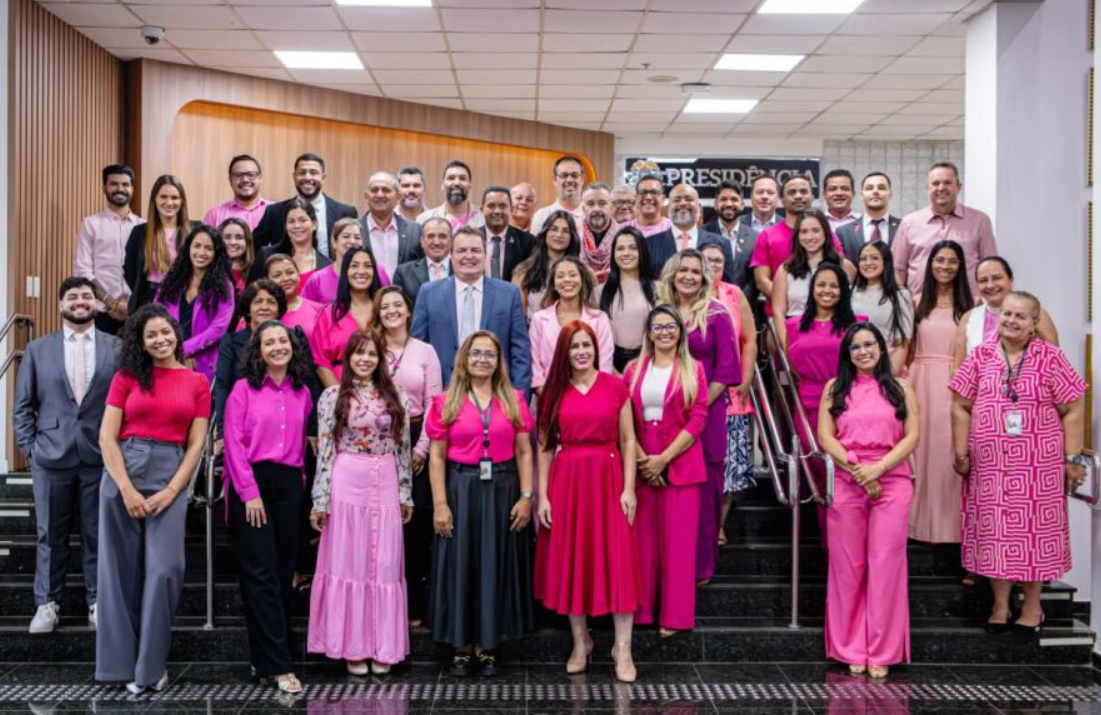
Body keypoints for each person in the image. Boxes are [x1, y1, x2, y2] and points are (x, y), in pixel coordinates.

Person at [950, 292, 1087, 634]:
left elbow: (1073, 407)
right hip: (990, 464)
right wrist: (961, 452)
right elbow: (960, 405)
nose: (1011, 320)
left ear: (1034, 323)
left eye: (1020, 316)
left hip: (1039, 465)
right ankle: (1000, 604)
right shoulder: (980, 355)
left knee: (1034, 533)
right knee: (996, 532)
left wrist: (1072, 458)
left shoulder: (1050, 357)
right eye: (1007, 313)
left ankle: (1032, 606)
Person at [95, 304, 210, 693]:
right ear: (140, 343)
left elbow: (196, 445)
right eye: (151, 336)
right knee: (117, 573)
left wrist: (174, 490)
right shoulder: (127, 377)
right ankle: (118, 667)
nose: (161, 340)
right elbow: (106, 437)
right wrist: (126, 489)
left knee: (165, 570)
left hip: (170, 472)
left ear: (176, 333)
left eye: (165, 332)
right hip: (123, 470)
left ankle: (151, 668)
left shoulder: (197, 382)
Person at [14, 277, 122, 634]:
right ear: (61, 305)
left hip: (99, 456)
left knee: (98, 534)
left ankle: (98, 601)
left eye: (86, 296)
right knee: (50, 535)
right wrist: (31, 450)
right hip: (50, 457)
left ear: (96, 303)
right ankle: (47, 603)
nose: (80, 302)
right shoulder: (37, 349)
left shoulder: (116, 348)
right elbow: (23, 406)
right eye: (72, 297)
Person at [534, 322, 641, 682]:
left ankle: (622, 648)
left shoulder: (615, 386)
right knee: (573, 560)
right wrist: (543, 496)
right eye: (574, 346)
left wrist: (629, 489)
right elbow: (545, 447)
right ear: (564, 352)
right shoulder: (553, 392)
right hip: (568, 482)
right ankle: (581, 642)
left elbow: (628, 440)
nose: (581, 352)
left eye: (587, 345)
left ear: (597, 349)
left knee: (619, 561)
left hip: (609, 479)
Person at [425, 331, 535, 676]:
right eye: (476, 353)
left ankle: (488, 645)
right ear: (464, 359)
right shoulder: (445, 402)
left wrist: (527, 497)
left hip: (503, 489)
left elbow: (524, 451)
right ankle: (461, 645)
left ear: (498, 361)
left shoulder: (514, 399)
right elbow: (437, 457)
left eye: (490, 354)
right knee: (461, 564)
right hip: (461, 488)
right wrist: (440, 504)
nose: (483, 360)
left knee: (494, 564)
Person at [818, 322, 919, 679]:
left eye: (870, 344)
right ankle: (849, 647)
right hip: (849, 480)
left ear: (881, 347)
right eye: (856, 347)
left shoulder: (901, 387)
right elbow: (825, 437)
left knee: (886, 565)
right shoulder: (835, 388)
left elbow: (912, 437)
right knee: (848, 567)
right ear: (847, 354)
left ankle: (882, 649)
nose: (864, 352)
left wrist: (879, 469)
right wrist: (859, 470)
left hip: (892, 480)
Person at [309, 330, 413, 675]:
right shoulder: (331, 396)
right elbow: (325, 448)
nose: (365, 359)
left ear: (380, 359)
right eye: (358, 353)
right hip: (346, 478)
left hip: (385, 477)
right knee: (349, 563)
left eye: (371, 354)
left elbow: (403, 447)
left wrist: (405, 492)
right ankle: (353, 647)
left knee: (384, 564)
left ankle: (383, 646)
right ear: (348, 358)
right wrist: (320, 499)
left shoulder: (397, 394)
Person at [222, 320, 314, 694]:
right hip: (252, 484)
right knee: (260, 577)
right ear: (258, 351)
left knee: (282, 574)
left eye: (283, 341)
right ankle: (279, 666)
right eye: (269, 342)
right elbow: (233, 443)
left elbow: (301, 445)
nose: (277, 347)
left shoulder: (303, 392)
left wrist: (300, 487)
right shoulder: (243, 390)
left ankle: (263, 659)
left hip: (289, 484)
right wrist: (249, 492)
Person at [657, 250, 741, 585]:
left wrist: (698, 406)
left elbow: (726, 371)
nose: (689, 276)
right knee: (670, 493)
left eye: (695, 271)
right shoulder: (662, 313)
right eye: (683, 270)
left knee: (705, 494)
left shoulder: (717, 314)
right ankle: (670, 563)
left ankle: (701, 566)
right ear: (672, 274)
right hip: (665, 416)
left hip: (706, 416)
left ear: (704, 277)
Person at [624, 306, 709, 637]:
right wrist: (645, 461)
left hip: (681, 461)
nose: (664, 332)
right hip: (641, 459)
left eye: (670, 326)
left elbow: (698, 418)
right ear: (648, 333)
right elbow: (624, 419)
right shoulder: (633, 370)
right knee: (643, 545)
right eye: (657, 327)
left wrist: (664, 459)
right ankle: (642, 612)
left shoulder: (693, 369)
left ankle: (675, 617)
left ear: (680, 331)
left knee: (678, 546)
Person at [372, 287, 443, 628]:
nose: (392, 311)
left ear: (409, 311)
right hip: (378, 440)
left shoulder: (425, 351)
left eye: (397, 305)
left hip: (416, 436)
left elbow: (434, 405)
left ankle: (413, 602)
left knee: (414, 526)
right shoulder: (370, 348)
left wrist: (422, 449)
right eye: (385, 306)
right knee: (382, 524)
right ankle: (381, 601)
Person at [784, 263, 861, 543]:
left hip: (847, 406)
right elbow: (792, 365)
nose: (827, 290)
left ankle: (849, 542)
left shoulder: (856, 325)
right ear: (812, 288)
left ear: (843, 291)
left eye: (834, 285)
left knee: (845, 471)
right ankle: (830, 545)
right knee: (818, 471)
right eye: (821, 284)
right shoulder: (793, 326)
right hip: (808, 407)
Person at [907, 240, 972, 556]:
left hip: (955, 382)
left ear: (961, 267)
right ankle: (917, 526)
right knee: (920, 452)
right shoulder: (916, 301)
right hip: (919, 380)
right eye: (939, 260)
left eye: (952, 261)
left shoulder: (971, 308)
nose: (945, 266)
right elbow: (907, 347)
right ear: (930, 264)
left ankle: (953, 529)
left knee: (950, 453)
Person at [412, 227, 532, 391]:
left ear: (485, 255)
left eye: (475, 250)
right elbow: (417, 349)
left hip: (495, 393)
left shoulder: (509, 294)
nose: (469, 256)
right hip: (443, 392)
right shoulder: (429, 293)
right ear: (451, 255)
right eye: (462, 250)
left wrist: (519, 399)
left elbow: (520, 352)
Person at [700, 244, 757, 542]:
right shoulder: (686, 294)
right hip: (696, 391)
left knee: (729, 464)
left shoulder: (734, 293)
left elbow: (749, 340)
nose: (712, 265)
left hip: (732, 391)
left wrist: (746, 379)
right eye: (706, 259)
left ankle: (718, 525)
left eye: (718, 261)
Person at [892, 162, 998, 299]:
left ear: (959, 186)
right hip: (919, 305)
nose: (941, 188)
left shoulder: (980, 221)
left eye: (947, 182)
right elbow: (898, 269)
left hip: (968, 304)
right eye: (935, 183)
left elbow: (990, 266)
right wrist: (902, 302)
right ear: (928, 188)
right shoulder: (909, 223)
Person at [154, 225, 236, 382]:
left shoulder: (224, 286)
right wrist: (172, 350)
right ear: (188, 248)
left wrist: (184, 349)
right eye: (197, 246)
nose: (201, 252)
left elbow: (218, 329)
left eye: (208, 248)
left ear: (216, 253)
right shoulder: (170, 280)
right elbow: (156, 315)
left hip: (203, 361)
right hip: (166, 355)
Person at [73, 164, 145, 334]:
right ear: (104, 188)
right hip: (101, 313)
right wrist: (112, 304)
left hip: (137, 313)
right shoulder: (90, 224)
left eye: (125, 184)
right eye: (114, 184)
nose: (120, 189)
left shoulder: (144, 227)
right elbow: (82, 272)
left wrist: (131, 306)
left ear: (132, 189)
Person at [750, 175, 844, 300]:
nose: (798, 196)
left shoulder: (828, 236)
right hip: (780, 311)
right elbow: (762, 281)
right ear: (782, 200)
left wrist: (815, 306)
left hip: (822, 310)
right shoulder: (767, 236)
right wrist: (791, 304)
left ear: (812, 198)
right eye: (792, 192)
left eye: (803, 191)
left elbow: (841, 273)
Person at [529, 256, 614, 391]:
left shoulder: (599, 319)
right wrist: (549, 398)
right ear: (553, 284)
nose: (567, 279)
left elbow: (605, 365)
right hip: (549, 397)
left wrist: (588, 397)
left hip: (591, 396)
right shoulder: (539, 319)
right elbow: (536, 369)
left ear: (582, 280)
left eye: (573, 275)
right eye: (560, 276)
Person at [772, 210, 855, 346]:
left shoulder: (844, 266)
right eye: (804, 232)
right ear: (797, 235)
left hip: (837, 335)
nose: (809, 237)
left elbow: (854, 305)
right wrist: (787, 347)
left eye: (815, 231)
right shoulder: (785, 270)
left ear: (825, 233)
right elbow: (778, 312)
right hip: (798, 335)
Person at [954, 256, 1059, 364]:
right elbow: (959, 366)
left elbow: (1054, 358)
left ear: (1011, 279)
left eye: (997, 278)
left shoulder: (1033, 311)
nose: (990, 285)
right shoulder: (969, 317)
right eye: (983, 280)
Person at [252, 153, 357, 257]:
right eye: (302, 173)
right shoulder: (274, 212)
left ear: (323, 177)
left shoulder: (345, 213)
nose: (307, 177)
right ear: (294, 177)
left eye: (313, 173)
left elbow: (355, 251)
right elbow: (252, 248)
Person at [123, 174, 197, 313]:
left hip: (186, 298)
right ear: (154, 199)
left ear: (182, 201)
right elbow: (130, 271)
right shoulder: (139, 232)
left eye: (174, 198)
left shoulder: (196, 230)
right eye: (163, 197)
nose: (169, 202)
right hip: (149, 298)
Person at [312, 247, 383, 387]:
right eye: (354, 265)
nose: (361, 271)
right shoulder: (328, 313)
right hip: (340, 390)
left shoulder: (383, 310)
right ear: (345, 271)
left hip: (382, 390)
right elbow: (321, 362)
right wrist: (339, 396)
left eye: (367, 266)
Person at [594, 227, 658, 372]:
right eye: (620, 248)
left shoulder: (658, 289)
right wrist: (611, 370)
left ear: (642, 251)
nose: (626, 253)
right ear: (613, 253)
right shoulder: (599, 292)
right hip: (609, 362)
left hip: (649, 361)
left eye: (633, 248)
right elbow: (595, 336)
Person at [648, 184, 736, 286]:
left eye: (689, 199)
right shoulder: (649, 244)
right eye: (677, 200)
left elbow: (727, 286)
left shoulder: (721, 243)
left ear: (699, 208)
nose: (683, 203)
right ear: (668, 209)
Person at [851, 241, 914, 376]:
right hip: (855, 367)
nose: (868, 263)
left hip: (887, 367)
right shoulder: (850, 293)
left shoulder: (900, 295)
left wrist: (890, 375)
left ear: (885, 262)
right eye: (863, 259)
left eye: (874, 258)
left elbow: (903, 342)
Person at [301, 217, 390, 304]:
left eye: (357, 237)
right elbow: (304, 309)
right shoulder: (317, 280)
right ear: (334, 241)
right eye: (346, 236)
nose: (352, 241)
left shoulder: (379, 273)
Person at [247, 197, 334, 285]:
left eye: (302, 220)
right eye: (291, 221)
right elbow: (250, 291)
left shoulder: (327, 265)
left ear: (314, 224)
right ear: (286, 226)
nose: (297, 226)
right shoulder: (266, 255)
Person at [512, 211, 581, 321]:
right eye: (554, 229)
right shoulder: (524, 271)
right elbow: (517, 318)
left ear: (572, 237)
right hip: (533, 330)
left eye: (566, 231)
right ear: (545, 233)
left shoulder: (584, 272)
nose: (559, 235)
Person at [358, 171, 423, 277]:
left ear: (398, 198)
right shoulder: (354, 229)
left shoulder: (415, 231)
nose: (380, 195)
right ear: (366, 197)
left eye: (386, 190)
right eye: (374, 190)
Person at [837, 172, 901, 263]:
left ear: (890, 195)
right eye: (869, 188)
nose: (875, 192)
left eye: (881, 188)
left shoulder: (903, 227)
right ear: (861, 195)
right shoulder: (844, 232)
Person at [393, 217, 452, 308]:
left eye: (442, 236)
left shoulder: (463, 270)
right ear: (422, 241)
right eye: (430, 236)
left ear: (451, 241)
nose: (436, 242)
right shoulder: (403, 273)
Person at [203, 154, 272, 231]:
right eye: (238, 175)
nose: (245, 180)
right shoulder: (214, 215)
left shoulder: (277, 212)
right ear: (230, 180)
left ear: (260, 178)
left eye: (251, 175)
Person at [481, 185, 536, 282]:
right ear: (482, 209)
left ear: (511, 209)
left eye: (503, 206)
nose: (497, 211)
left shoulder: (528, 242)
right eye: (491, 206)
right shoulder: (470, 239)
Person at [417, 159, 485, 230]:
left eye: (462, 178)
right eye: (451, 178)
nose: (456, 183)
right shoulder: (424, 219)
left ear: (470, 184)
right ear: (442, 184)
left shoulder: (483, 218)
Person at [575, 182, 621, 282]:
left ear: (612, 208)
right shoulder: (573, 234)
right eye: (590, 204)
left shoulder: (623, 236)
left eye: (602, 203)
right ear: (583, 209)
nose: (596, 209)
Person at [531, 156, 585, 235]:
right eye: (564, 175)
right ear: (554, 179)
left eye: (575, 175)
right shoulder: (541, 216)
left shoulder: (591, 215)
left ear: (582, 179)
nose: (569, 180)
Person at [219, 218, 255, 294]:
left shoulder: (256, 270)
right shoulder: (209, 270)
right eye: (227, 237)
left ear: (247, 242)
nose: (233, 242)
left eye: (239, 237)